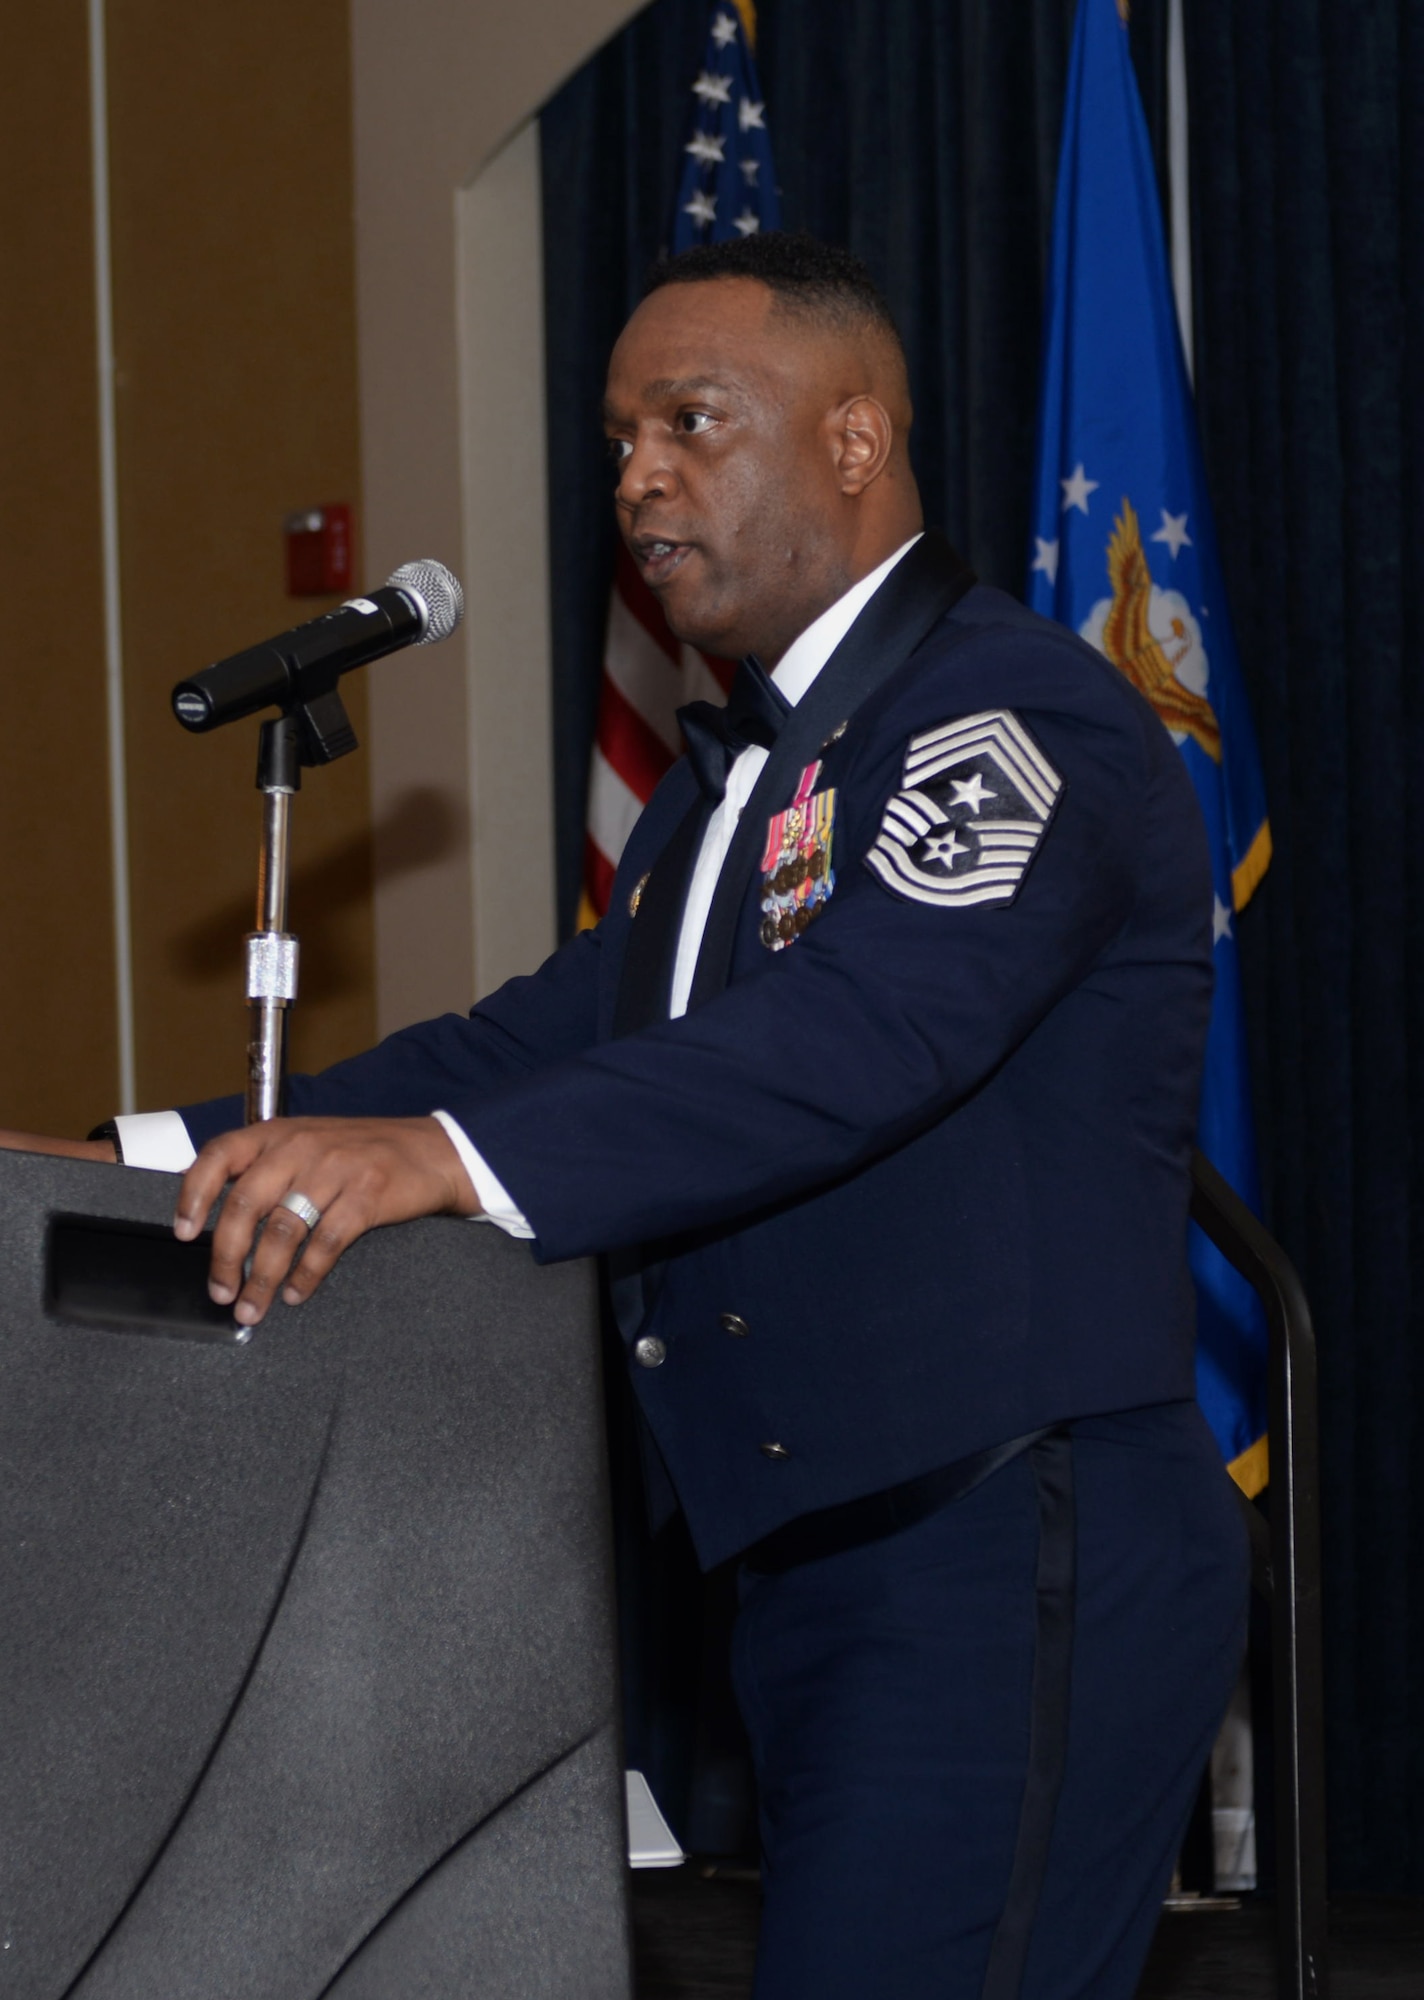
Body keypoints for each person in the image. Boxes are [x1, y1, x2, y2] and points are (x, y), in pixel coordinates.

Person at [6, 235, 1247, 1999]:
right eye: (617, 440)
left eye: (691, 422)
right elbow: (519, 1047)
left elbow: (867, 1030)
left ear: (853, 442)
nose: (640, 477)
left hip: (1000, 1553)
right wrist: (132, 1161)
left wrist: (436, 1170)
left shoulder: (1011, 709)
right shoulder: (720, 796)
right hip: (823, 1580)